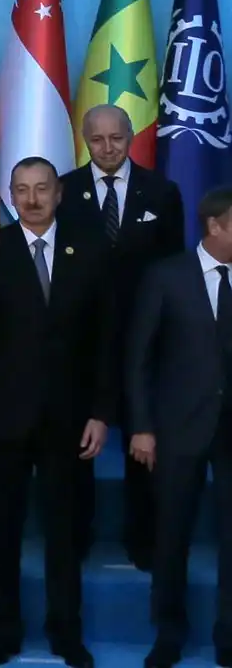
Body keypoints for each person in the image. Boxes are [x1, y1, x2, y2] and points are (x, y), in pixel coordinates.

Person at [0, 157, 112, 668]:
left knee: (64, 534)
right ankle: (4, 632)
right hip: (4, 416)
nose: (32, 199)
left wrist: (101, 412)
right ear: (9, 195)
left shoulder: (90, 248)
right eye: (22, 189)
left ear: (59, 193)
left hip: (68, 419)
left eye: (42, 188)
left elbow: (105, 338)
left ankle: (66, 633)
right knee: (3, 531)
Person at [59, 103, 184, 568]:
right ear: (84, 140)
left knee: (143, 441)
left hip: (143, 337)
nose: (107, 147)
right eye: (97, 139)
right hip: (80, 340)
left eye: (116, 138)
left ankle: (142, 538)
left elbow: (174, 267)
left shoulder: (163, 192)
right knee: (77, 444)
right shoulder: (63, 191)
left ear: (131, 137)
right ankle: (76, 536)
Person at [127, 186, 232, 668]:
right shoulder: (166, 276)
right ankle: (169, 634)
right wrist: (142, 426)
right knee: (171, 537)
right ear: (215, 226)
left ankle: (228, 636)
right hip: (176, 428)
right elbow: (139, 358)